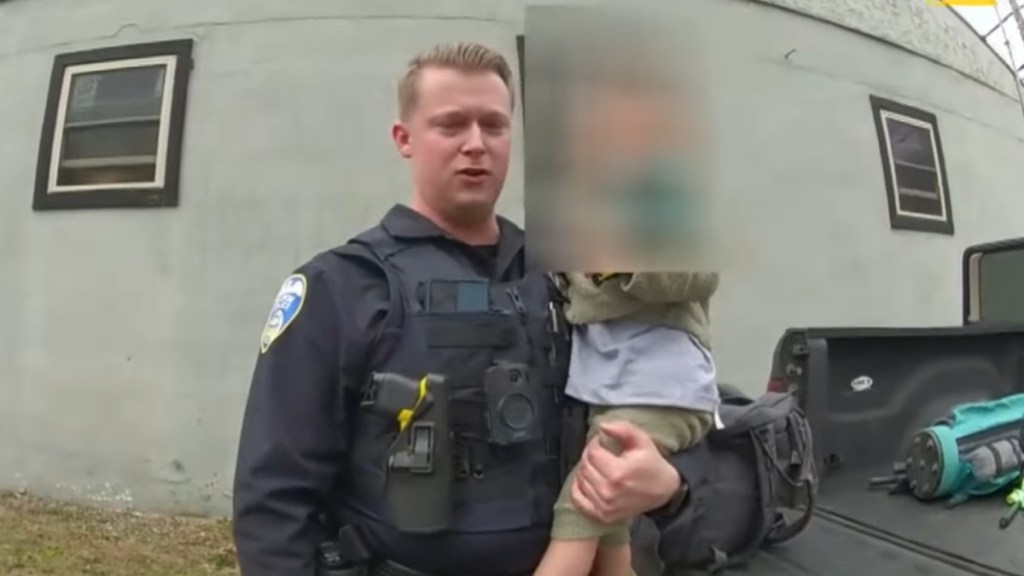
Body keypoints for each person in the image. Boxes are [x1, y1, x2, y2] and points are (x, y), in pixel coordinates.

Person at [232, 41, 703, 576]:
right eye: (451, 125)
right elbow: (274, 497)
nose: (476, 144)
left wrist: (670, 490)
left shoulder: (575, 273)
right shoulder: (341, 285)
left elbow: (666, 395)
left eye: (494, 125)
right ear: (404, 138)